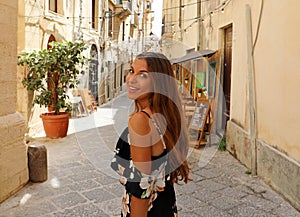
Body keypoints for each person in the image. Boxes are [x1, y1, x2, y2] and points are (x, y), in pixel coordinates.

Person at [111, 52, 190, 217]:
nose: (131, 79)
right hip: (166, 207)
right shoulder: (165, 115)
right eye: (132, 71)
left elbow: (141, 189)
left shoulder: (141, 121)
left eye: (143, 75)